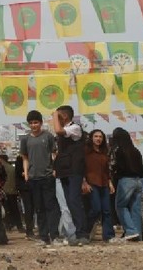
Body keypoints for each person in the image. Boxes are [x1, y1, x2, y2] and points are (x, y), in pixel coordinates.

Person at [20, 110, 61, 246]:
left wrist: (55, 169)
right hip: (33, 178)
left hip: (48, 176)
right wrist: (26, 173)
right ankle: (44, 237)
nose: (33, 125)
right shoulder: (25, 139)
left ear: (41, 123)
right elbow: (25, 158)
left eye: (36, 122)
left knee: (51, 206)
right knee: (39, 208)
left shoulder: (48, 136)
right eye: (31, 123)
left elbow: (54, 154)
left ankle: (54, 235)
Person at [50, 105, 88, 246]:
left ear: (64, 116)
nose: (56, 119)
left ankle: (82, 233)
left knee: (74, 200)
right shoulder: (64, 134)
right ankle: (74, 234)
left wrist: (54, 114)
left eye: (59, 116)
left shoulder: (75, 128)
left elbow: (59, 130)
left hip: (74, 170)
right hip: (64, 170)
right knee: (68, 203)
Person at [109, 127, 143, 242]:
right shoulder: (135, 150)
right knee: (135, 208)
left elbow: (117, 166)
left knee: (120, 206)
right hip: (138, 181)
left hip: (126, 180)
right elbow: (142, 169)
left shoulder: (119, 150)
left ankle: (131, 230)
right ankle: (137, 234)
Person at [83, 129, 115, 243]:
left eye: (100, 137)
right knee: (96, 209)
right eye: (96, 136)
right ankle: (85, 231)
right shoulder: (86, 152)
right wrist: (84, 182)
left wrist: (110, 182)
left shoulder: (105, 152)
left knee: (107, 210)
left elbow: (107, 170)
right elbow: (81, 169)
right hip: (92, 183)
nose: (98, 139)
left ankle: (109, 236)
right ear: (91, 138)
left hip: (104, 183)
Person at [0, 154, 24, 234]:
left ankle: (8, 225)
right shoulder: (12, 168)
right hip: (13, 191)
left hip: (4, 191)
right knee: (15, 210)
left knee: (6, 210)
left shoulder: (1, 168)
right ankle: (19, 226)